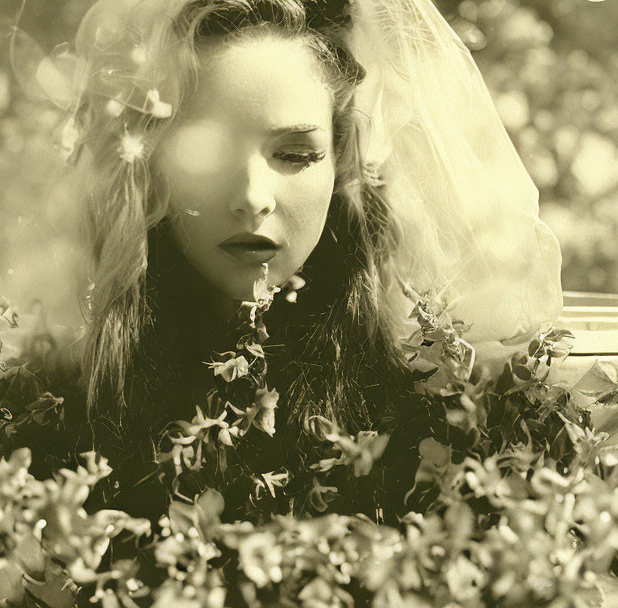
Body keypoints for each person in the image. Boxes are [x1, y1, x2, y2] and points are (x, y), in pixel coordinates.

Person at [37, 0, 562, 520]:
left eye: (294, 155)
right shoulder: (57, 408)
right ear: (152, 166)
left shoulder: (440, 414)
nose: (251, 196)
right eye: (209, 151)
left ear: (340, 167)